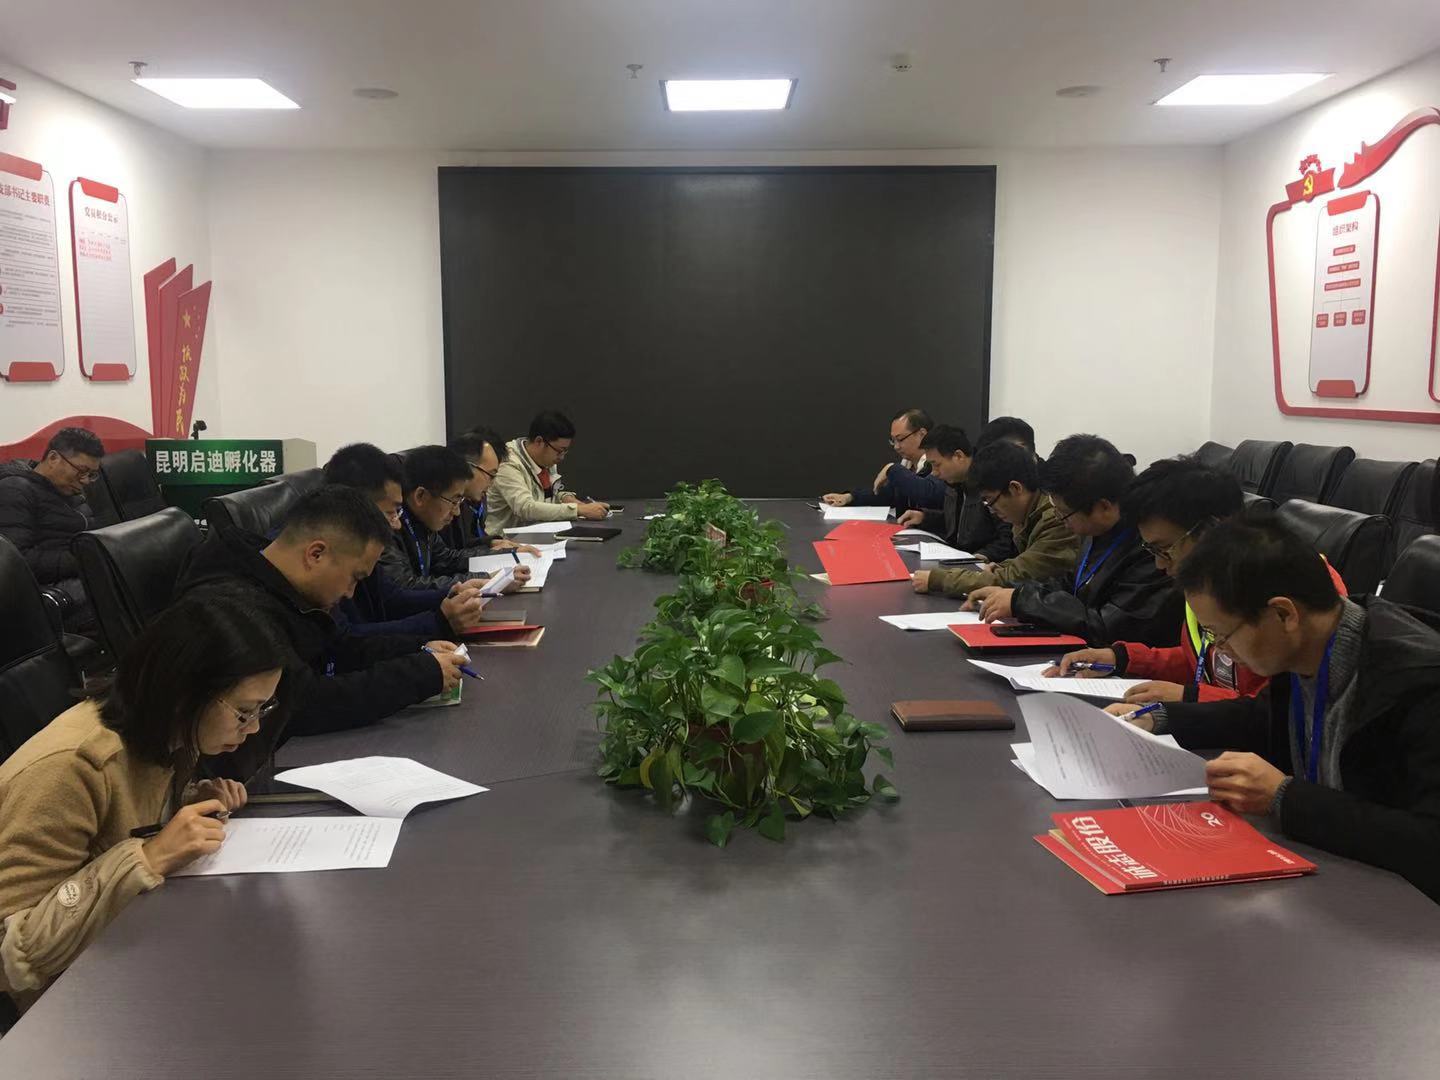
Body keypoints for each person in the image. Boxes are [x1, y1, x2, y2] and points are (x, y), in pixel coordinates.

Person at [1120, 514, 1440, 903]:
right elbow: (1264, 718)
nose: (1222, 650)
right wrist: (1159, 717)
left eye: (1223, 634)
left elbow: (1429, 843)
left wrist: (1283, 797)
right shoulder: (1313, 642)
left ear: (1283, 614)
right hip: (1336, 873)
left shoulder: (1420, 683)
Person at [0, 587, 285, 1008]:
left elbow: (124, 817)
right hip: (68, 1007)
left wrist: (190, 802)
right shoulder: (71, 768)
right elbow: (8, 956)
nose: (254, 728)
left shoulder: (168, 734)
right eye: (244, 712)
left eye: (263, 709)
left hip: (133, 954)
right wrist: (148, 857)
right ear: (184, 693)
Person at [175, 485, 467, 779]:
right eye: (354, 578)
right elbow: (303, 704)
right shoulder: (236, 609)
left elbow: (340, 644)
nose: (351, 593)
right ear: (316, 554)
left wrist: (420, 649)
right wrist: (418, 675)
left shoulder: (283, 583)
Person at [1046, 458, 1348, 707]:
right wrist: (1122, 658)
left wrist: (1190, 697)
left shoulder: (1289, 589)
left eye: (1165, 549)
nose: (1159, 564)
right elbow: (1206, 661)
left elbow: (1277, 711)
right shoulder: (1206, 584)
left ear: (1212, 530)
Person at [966, 435, 1180, 646]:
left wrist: (1022, 602)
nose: (1060, 519)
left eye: (1064, 513)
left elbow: (1109, 627)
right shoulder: (1097, 531)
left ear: (1103, 507)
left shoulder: (1152, 547)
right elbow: (1070, 585)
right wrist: (1015, 593)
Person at [322, 443, 488, 639]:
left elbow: (391, 598)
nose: (397, 524)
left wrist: (452, 592)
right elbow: (345, 641)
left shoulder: (367, 541)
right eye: (391, 512)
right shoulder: (331, 556)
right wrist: (439, 622)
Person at [912, 439, 1079, 597]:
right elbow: (1028, 565)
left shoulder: (1055, 520)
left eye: (990, 500)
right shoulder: (1028, 513)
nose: (992, 510)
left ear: (1015, 489)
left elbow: (1015, 578)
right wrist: (1003, 567)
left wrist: (939, 579)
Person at [382, 445, 532, 593]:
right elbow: (405, 587)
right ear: (421, 496)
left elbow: (447, 559)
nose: (457, 512)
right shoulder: (389, 525)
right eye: (454, 501)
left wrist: (509, 553)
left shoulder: (423, 519)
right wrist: (486, 580)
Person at [0, 427, 104, 624]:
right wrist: (84, 558)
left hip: (79, 572)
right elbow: (16, 562)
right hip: (46, 591)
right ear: (54, 458)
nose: (85, 481)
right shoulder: (15, 491)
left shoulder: (69, 490)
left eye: (91, 474)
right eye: (81, 471)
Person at [895, 425, 1013, 560]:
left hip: (980, 563)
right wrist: (924, 518)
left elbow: (1008, 540)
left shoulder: (990, 483)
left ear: (958, 456)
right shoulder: (954, 483)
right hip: (958, 558)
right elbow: (960, 523)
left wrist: (982, 556)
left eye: (937, 465)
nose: (934, 473)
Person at [485, 411, 609, 534]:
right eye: (559, 451)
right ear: (539, 441)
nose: (561, 457)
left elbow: (545, 497)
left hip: (536, 534)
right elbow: (526, 507)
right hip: (504, 540)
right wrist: (578, 510)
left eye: (565, 451)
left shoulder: (545, 460)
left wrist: (566, 498)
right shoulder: (508, 462)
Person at [821, 408, 945, 512]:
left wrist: (891, 468)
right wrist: (850, 497)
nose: (896, 447)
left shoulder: (940, 465)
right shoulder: (907, 465)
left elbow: (927, 494)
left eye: (900, 439)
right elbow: (886, 495)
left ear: (922, 434)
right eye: (893, 440)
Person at [441, 429, 540, 558]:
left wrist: (490, 543)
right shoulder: (443, 504)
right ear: (467, 467)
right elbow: (446, 559)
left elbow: (464, 544)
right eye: (491, 475)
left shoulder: (468, 500)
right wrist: (493, 553)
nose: (492, 483)